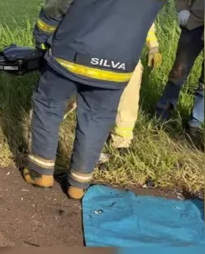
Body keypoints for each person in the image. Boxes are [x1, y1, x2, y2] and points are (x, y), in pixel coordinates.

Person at [22, 0, 183, 200]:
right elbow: (160, 2)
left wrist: (43, 34)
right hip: (121, 60)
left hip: (72, 53)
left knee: (48, 104)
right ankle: (78, 185)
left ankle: (41, 173)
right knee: (97, 118)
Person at [63, 22, 162, 156]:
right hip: (95, 51)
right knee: (74, 93)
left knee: (128, 99)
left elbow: (146, 21)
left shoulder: (139, 1)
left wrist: (153, 47)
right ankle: (43, 127)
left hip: (127, 55)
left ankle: (121, 143)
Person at [154, 0, 204, 137]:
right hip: (196, 23)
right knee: (179, 71)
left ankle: (196, 124)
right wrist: (183, 8)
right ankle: (162, 114)